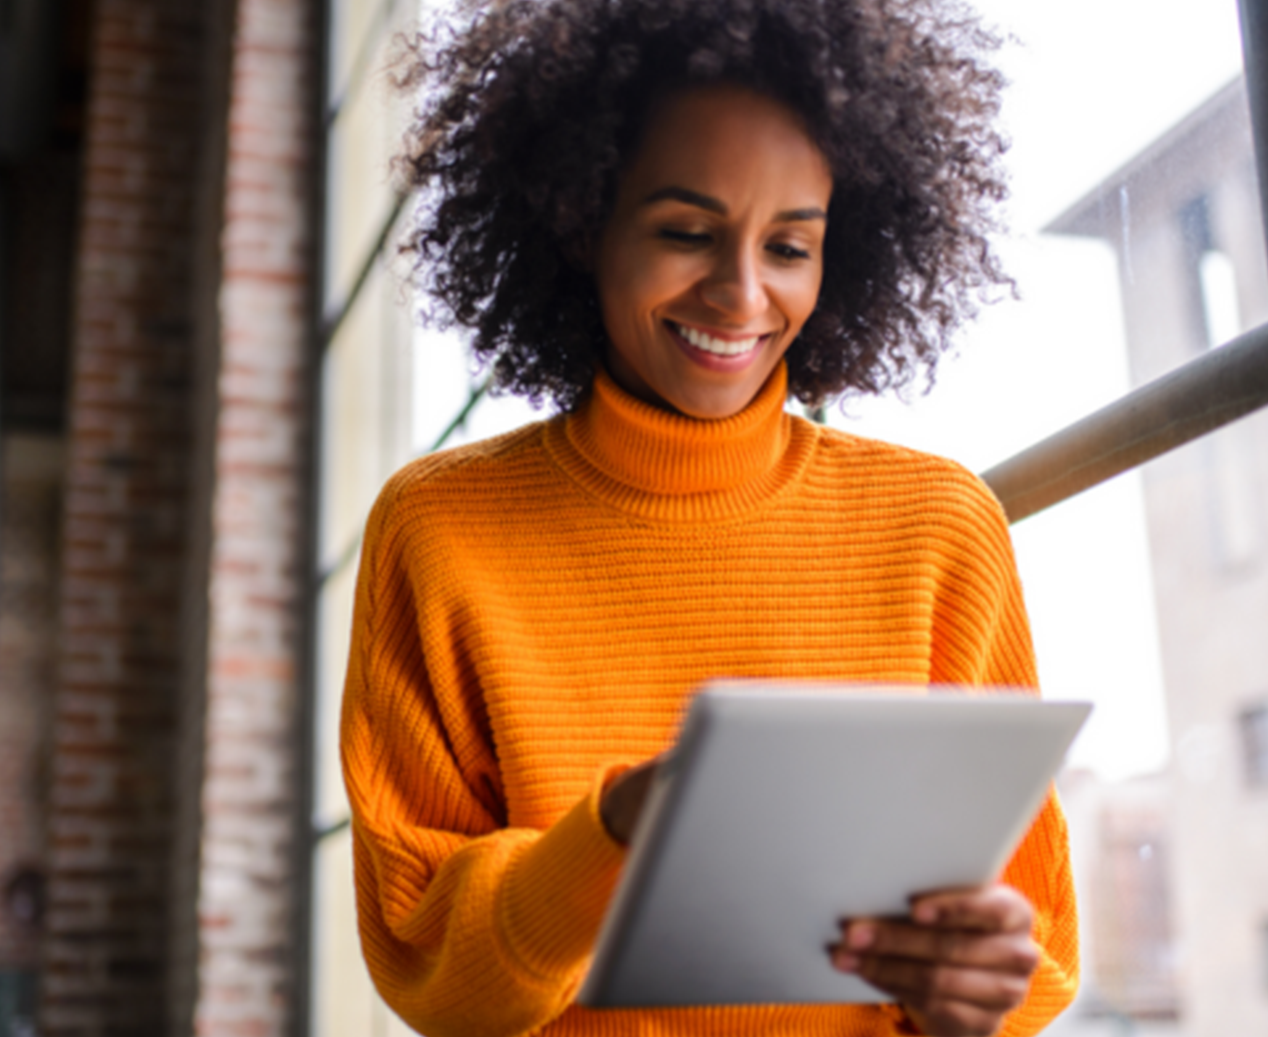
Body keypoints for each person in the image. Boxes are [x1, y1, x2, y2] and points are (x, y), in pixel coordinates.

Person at [339, 0, 1079, 1034]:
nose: (740, 296)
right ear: (578, 219)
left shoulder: (939, 524)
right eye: (687, 231)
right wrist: (610, 834)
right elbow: (429, 965)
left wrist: (975, 989)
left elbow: (1036, 944)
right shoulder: (440, 527)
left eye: (790, 245)